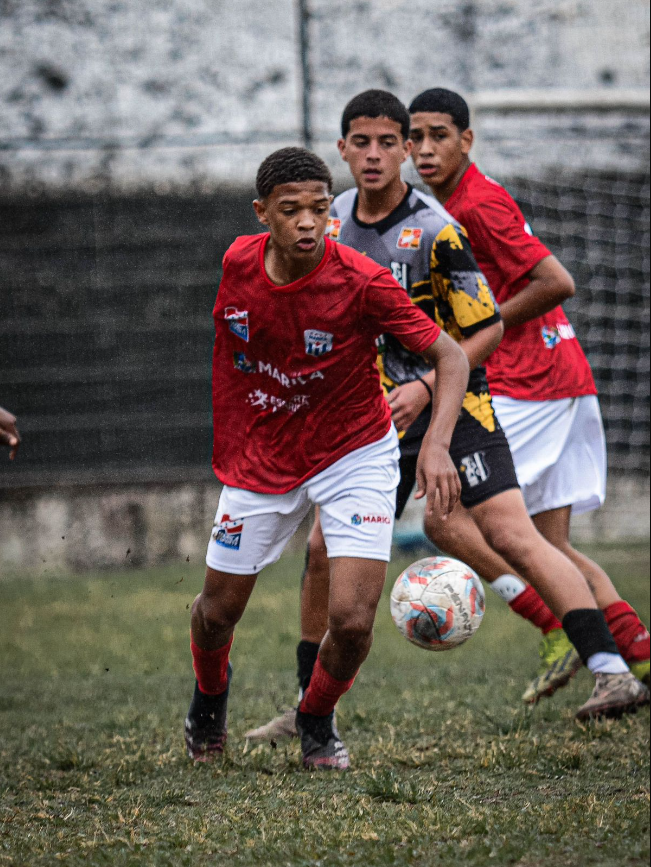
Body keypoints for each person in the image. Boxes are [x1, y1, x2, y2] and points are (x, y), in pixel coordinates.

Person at [245, 91, 649, 746]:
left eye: (388, 142)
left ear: (404, 149)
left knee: (514, 534)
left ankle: (610, 669)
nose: (374, 155)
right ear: (341, 148)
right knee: (322, 550)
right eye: (360, 142)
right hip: (369, 417)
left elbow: (485, 328)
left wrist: (429, 384)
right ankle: (305, 703)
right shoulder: (332, 218)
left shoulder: (436, 228)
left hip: (457, 403)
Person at [184, 146, 471, 770]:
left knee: (352, 621)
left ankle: (316, 719)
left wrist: (438, 443)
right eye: (291, 211)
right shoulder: (236, 261)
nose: (309, 222)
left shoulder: (362, 281)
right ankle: (209, 700)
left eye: (320, 208)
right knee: (216, 612)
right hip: (263, 454)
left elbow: (452, 355)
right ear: (264, 214)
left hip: (354, 453)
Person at [407, 86, 650, 694]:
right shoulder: (452, 202)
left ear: (467, 140)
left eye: (440, 135)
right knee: (549, 544)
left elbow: (555, 280)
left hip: (529, 382)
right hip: (560, 376)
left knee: (446, 516)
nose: (425, 148)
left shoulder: (476, 205)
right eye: (416, 136)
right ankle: (637, 658)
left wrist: (481, 329)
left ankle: (553, 627)